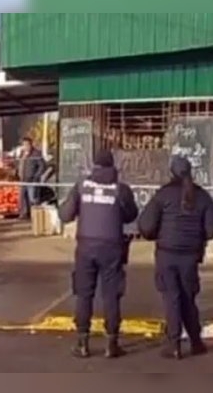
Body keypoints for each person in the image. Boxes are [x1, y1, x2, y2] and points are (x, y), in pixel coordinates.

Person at [137, 156, 213, 360]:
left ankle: (174, 343)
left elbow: (146, 225)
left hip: (167, 254)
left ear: (172, 172)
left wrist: (156, 234)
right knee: (187, 298)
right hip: (191, 256)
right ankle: (195, 341)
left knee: (172, 298)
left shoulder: (163, 195)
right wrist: (199, 236)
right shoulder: (201, 196)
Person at [58, 149, 138, 359]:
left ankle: (82, 343)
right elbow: (131, 215)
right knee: (111, 295)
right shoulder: (121, 189)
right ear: (112, 166)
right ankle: (111, 343)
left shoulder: (82, 187)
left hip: (85, 246)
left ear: (95, 165)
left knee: (84, 293)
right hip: (112, 247)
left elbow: (65, 215)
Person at [17, 137, 45, 220]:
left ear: (31, 144)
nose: (25, 146)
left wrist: (37, 176)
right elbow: (19, 164)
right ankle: (24, 214)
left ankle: (34, 215)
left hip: (32, 179)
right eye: (24, 145)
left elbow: (42, 166)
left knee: (32, 198)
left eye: (27, 144)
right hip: (23, 179)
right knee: (22, 197)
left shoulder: (36, 153)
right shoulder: (22, 153)